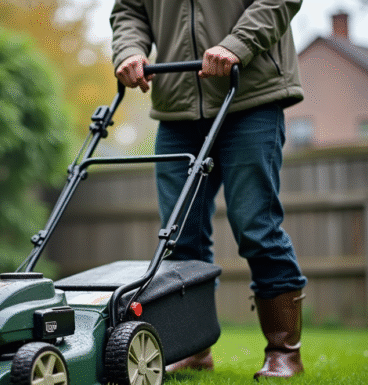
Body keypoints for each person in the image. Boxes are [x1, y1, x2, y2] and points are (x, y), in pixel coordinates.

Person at [110, 0, 308, 379]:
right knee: (179, 238)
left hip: (249, 94)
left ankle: (284, 350)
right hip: (176, 104)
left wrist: (237, 43)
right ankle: (193, 346)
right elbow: (129, 11)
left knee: (256, 228)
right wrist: (129, 49)